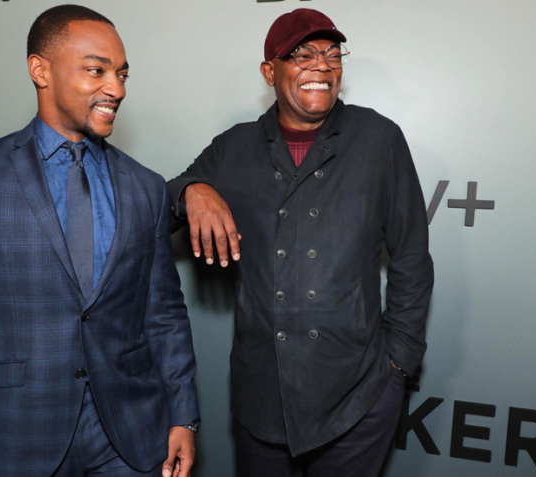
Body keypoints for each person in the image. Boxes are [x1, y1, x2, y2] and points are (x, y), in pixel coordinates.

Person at [0, 5, 199, 477]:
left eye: (121, 74)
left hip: (132, 441)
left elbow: (163, 315)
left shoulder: (145, 186)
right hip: (14, 438)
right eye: (96, 70)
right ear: (40, 70)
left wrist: (184, 416)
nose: (117, 89)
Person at [167, 8, 433, 477]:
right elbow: (163, 199)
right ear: (270, 70)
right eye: (303, 54)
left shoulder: (379, 139)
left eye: (332, 54)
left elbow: (412, 254)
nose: (323, 66)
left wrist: (398, 365)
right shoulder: (234, 147)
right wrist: (192, 190)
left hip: (360, 394)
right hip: (262, 397)